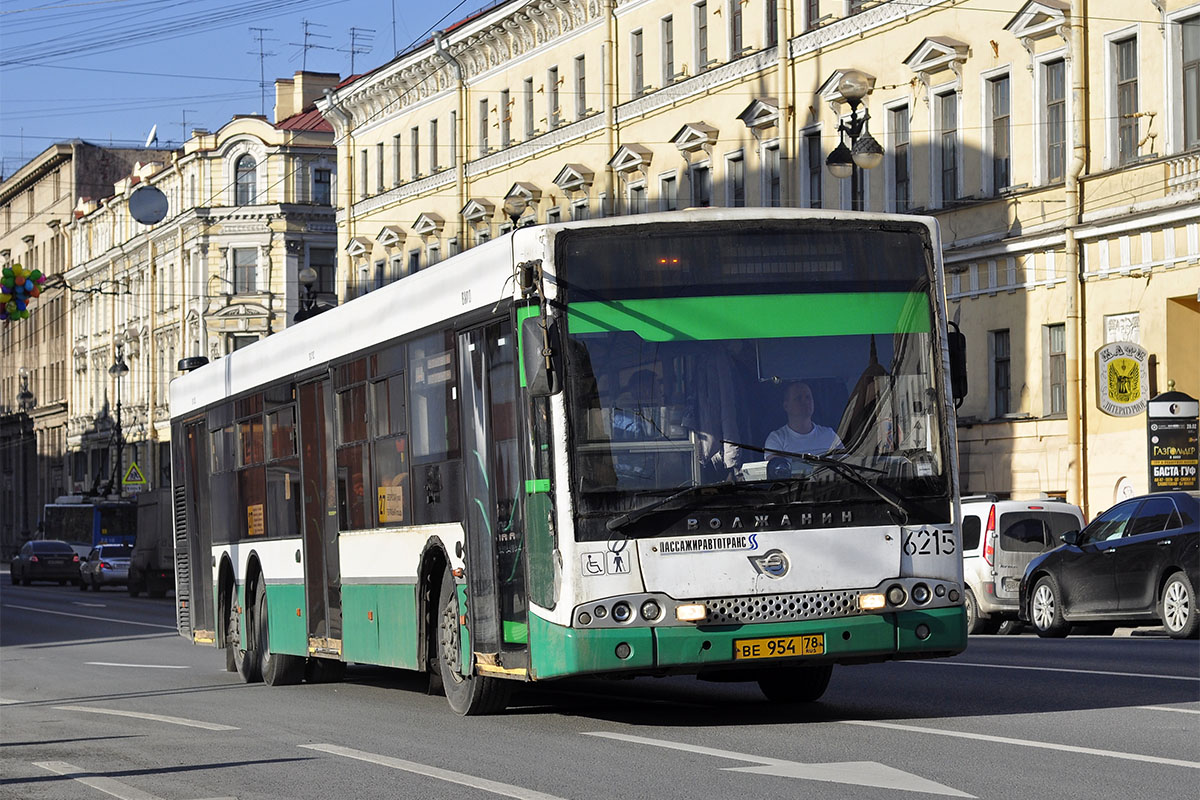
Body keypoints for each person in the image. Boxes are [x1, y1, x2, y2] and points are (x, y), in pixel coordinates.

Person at [764, 381, 844, 458]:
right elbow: (776, 469)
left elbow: (847, 463)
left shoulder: (829, 435)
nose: (805, 402)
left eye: (808, 397)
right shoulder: (776, 439)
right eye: (798, 398)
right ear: (786, 406)